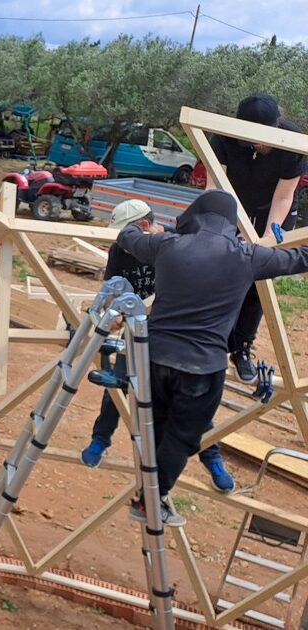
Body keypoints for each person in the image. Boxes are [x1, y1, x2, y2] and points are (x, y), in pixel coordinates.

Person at [116, 190, 308, 525]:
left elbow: (127, 237)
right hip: (201, 369)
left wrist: (144, 229)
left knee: (157, 426)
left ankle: (148, 492)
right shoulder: (247, 256)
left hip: (153, 359)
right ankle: (150, 499)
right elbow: (299, 260)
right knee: (182, 436)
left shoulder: (167, 245)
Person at [80, 201, 236, 494]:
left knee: (192, 406)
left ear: (142, 228)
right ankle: (100, 440)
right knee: (117, 385)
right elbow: (114, 283)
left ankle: (212, 459)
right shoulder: (120, 250)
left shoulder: (177, 244)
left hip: (174, 337)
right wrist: (113, 312)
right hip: (137, 330)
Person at [209, 94, 308, 383]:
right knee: (220, 268)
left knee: (259, 278)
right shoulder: (223, 140)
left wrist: (266, 239)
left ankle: (241, 348)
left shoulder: (294, 143)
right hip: (234, 203)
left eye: (266, 139)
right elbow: (216, 186)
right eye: (254, 141)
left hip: (275, 209)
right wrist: (222, 224)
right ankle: (217, 339)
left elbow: (284, 195)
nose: (261, 146)